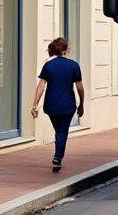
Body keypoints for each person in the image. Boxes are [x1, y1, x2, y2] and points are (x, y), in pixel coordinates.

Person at [31, 37, 85, 172]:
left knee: (59, 130)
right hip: (67, 103)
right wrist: (81, 104)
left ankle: (58, 154)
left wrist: (35, 105)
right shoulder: (73, 65)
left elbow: (41, 86)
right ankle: (58, 157)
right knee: (62, 131)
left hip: (51, 104)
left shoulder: (48, 65)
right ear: (65, 50)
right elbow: (79, 87)